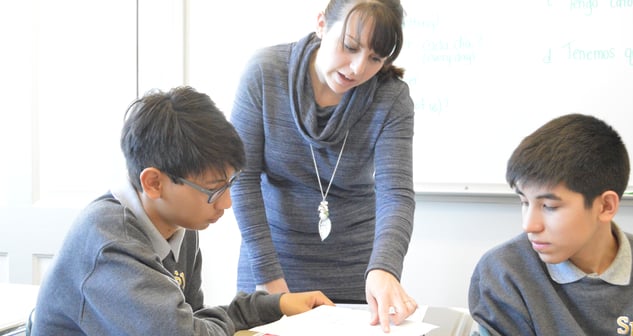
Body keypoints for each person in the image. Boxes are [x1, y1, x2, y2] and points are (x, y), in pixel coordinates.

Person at [31, 86, 333, 335]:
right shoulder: (110, 244)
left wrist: (274, 306)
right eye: (214, 190)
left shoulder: (178, 226)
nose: (226, 203)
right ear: (154, 183)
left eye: (231, 183)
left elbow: (192, 319)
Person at [229, 0, 417, 332]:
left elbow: (396, 194)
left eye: (375, 58)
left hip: (353, 272)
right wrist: (270, 278)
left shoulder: (391, 98)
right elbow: (242, 180)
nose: (358, 68)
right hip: (270, 263)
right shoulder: (264, 73)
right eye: (350, 47)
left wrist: (384, 269)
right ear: (321, 23)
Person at [468, 113, 633, 335]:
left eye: (549, 206)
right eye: (524, 201)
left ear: (606, 206)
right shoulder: (505, 271)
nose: (529, 225)